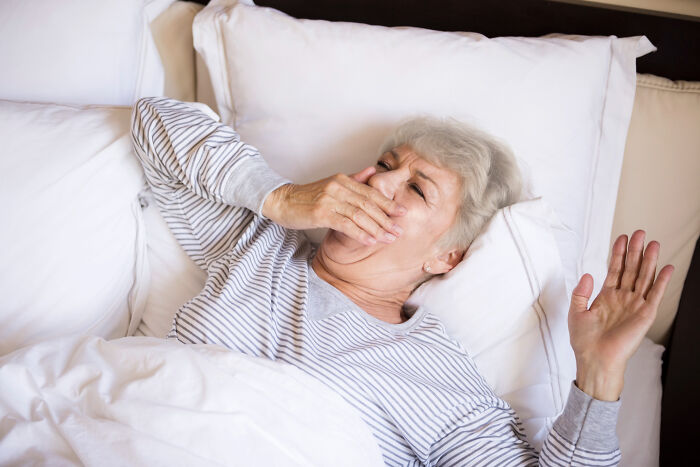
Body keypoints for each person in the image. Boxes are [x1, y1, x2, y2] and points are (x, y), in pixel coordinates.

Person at [130, 97, 674, 466]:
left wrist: (599, 375)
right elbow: (155, 121)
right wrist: (278, 197)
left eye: (416, 190)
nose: (380, 181)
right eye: (385, 163)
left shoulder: (440, 378)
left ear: (445, 257)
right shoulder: (260, 243)